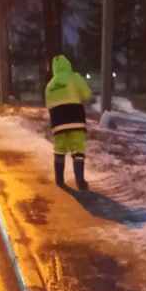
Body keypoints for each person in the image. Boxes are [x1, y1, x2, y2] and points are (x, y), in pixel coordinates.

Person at [45, 55, 93, 190]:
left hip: (58, 122)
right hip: (75, 119)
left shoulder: (50, 85)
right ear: (68, 65)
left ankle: (59, 180)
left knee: (59, 150)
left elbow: (48, 105)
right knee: (78, 149)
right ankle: (80, 182)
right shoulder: (74, 78)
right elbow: (87, 95)